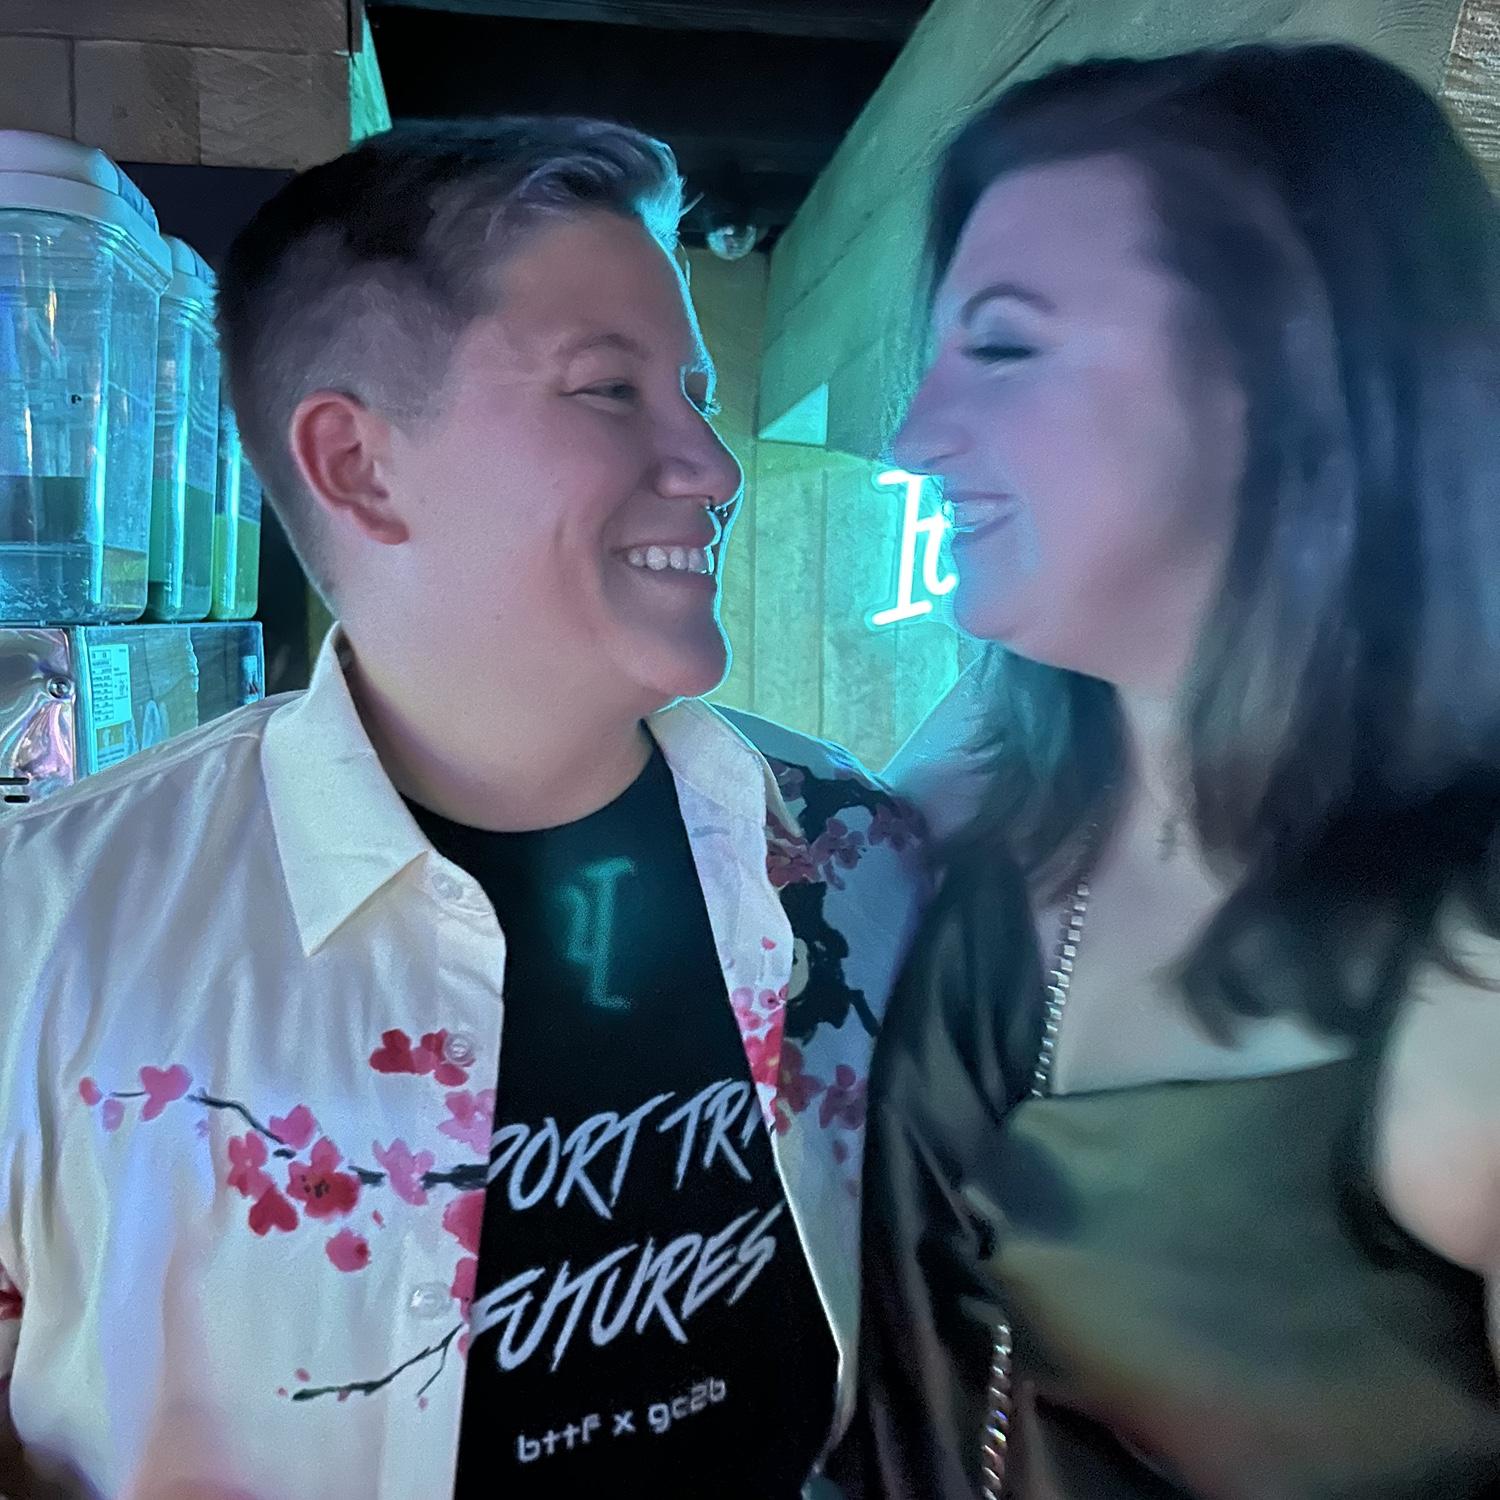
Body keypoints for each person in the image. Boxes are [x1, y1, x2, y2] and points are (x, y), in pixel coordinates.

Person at [0, 118, 924, 1499]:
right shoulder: (45, 930)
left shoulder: (858, 857)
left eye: (692, 391)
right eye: (609, 391)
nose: (715, 465)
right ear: (358, 466)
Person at [855, 43, 1500, 1499]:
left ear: (1290, 374)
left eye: (1004, 348)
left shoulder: (1472, 964)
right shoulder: (986, 795)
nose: (913, 438)